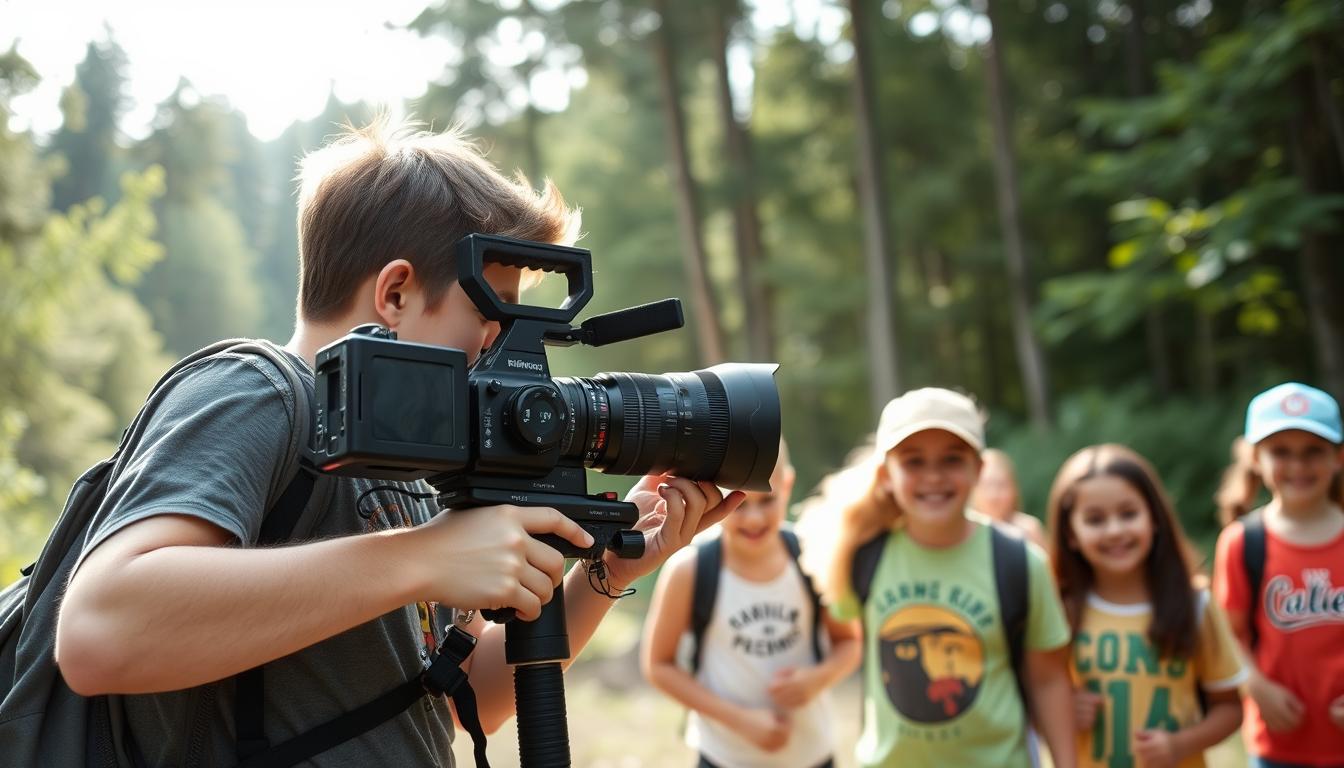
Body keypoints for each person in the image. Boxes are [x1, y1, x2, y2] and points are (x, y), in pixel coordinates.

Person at [51, 116, 745, 766]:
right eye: (487, 313)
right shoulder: (258, 392)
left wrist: (605, 575)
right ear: (396, 294)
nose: (495, 346)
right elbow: (98, 631)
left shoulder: (416, 460)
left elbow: (456, 699)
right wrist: (422, 555)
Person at [794, 387, 1077, 768]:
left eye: (951, 459)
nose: (933, 477)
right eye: (913, 462)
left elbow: (1049, 680)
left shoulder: (1020, 563)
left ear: (978, 469)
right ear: (886, 475)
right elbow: (848, 643)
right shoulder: (863, 557)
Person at [641, 441, 862, 768]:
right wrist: (740, 720)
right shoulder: (689, 570)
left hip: (812, 755)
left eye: (768, 500)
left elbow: (850, 643)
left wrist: (817, 679)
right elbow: (658, 665)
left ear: (787, 485)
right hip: (724, 757)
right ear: (711, 494)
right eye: (739, 504)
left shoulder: (814, 555)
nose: (754, 519)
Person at [1047, 444, 1244, 768]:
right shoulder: (1058, 610)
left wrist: (1180, 745)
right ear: (1071, 533)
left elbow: (1230, 708)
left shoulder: (1194, 605)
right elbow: (1037, 701)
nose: (1115, 530)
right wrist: (1063, 710)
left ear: (1154, 518)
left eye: (1128, 513)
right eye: (1095, 519)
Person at [1212, 382, 1344, 768]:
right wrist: (1257, 688)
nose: (1298, 466)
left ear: (1338, 457)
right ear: (1255, 457)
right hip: (1277, 747)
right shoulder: (1243, 542)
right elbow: (1227, 635)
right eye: (1281, 452)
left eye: (1313, 452)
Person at [971, 448, 1047, 549]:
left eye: (1001, 485)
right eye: (986, 485)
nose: (994, 495)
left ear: (1014, 488)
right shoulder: (965, 534)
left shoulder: (1029, 529)